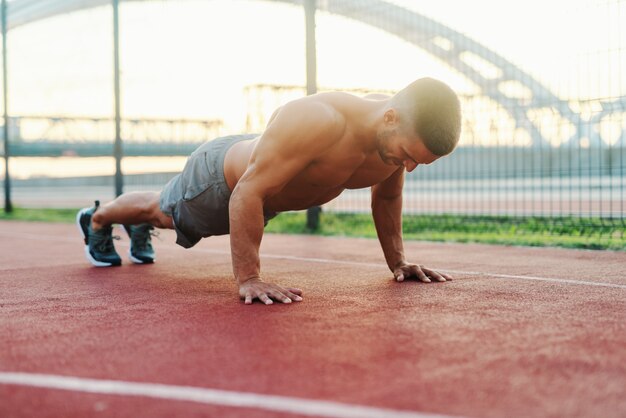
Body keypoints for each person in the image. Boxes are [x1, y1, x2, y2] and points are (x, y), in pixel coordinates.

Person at [77, 77, 462, 305]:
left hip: (263, 174)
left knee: (161, 209)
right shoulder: (319, 120)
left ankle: (137, 226)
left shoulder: (391, 144)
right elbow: (247, 192)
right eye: (408, 155)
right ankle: (96, 218)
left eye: (417, 163)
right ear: (390, 118)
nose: (407, 166)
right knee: (160, 209)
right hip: (220, 181)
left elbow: (389, 198)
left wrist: (398, 262)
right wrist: (249, 278)